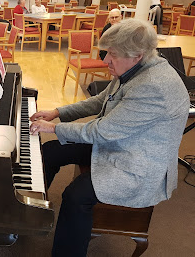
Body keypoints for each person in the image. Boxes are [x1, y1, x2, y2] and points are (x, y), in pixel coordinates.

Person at [29, 18, 189, 257]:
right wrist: (57, 113)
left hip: (139, 164)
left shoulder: (153, 86)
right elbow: (99, 101)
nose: (105, 60)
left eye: (111, 54)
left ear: (137, 54)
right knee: (52, 151)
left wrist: (53, 128)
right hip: (120, 143)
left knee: (76, 194)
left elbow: (101, 131)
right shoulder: (136, 68)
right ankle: (30, 213)